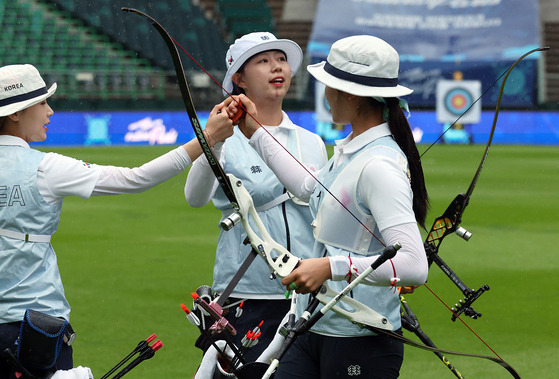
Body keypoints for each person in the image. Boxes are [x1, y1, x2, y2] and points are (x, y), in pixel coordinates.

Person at [0, 64, 234, 377]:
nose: (50, 110)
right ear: (15, 113)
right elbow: (136, 178)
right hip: (36, 327)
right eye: (42, 102)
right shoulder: (44, 168)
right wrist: (208, 137)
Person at [231, 35, 430, 378]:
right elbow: (311, 187)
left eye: (328, 85)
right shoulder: (353, 149)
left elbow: (414, 266)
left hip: (361, 335)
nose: (324, 94)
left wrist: (330, 267)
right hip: (315, 326)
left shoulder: (378, 166)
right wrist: (254, 130)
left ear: (349, 93)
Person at [184, 32, 327, 363]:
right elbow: (194, 197)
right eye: (263, 61)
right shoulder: (225, 137)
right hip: (248, 290)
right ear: (239, 79)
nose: (277, 67)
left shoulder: (311, 141)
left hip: (307, 289)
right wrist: (213, 140)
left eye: (281, 60)